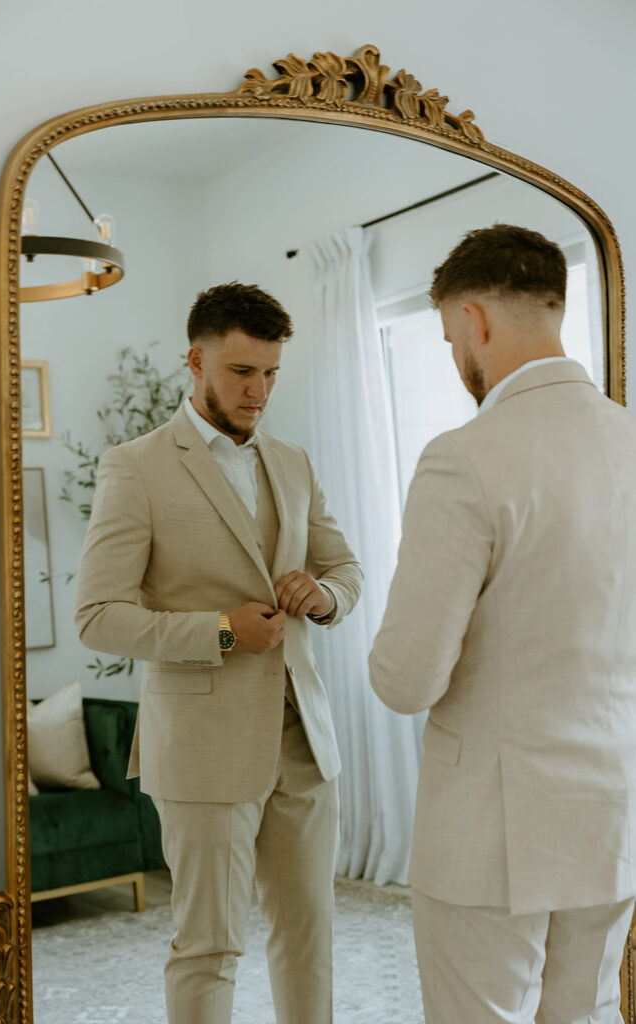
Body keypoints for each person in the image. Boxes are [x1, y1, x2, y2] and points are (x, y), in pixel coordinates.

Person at [74, 282, 362, 1024]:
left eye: (270, 373)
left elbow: (345, 572)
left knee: (310, 938)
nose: (258, 390)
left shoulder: (292, 461)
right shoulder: (134, 466)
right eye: (241, 372)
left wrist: (321, 596)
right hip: (203, 750)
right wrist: (224, 631)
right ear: (195, 361)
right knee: (207, 946)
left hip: (302, 742)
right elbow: (98, 617)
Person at [369, 224, 636, 1024]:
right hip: (612, 814)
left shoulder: (463, 457)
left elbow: (406, 680)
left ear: (474, 319)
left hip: (491, 833)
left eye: (451, 337)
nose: (456, 360)